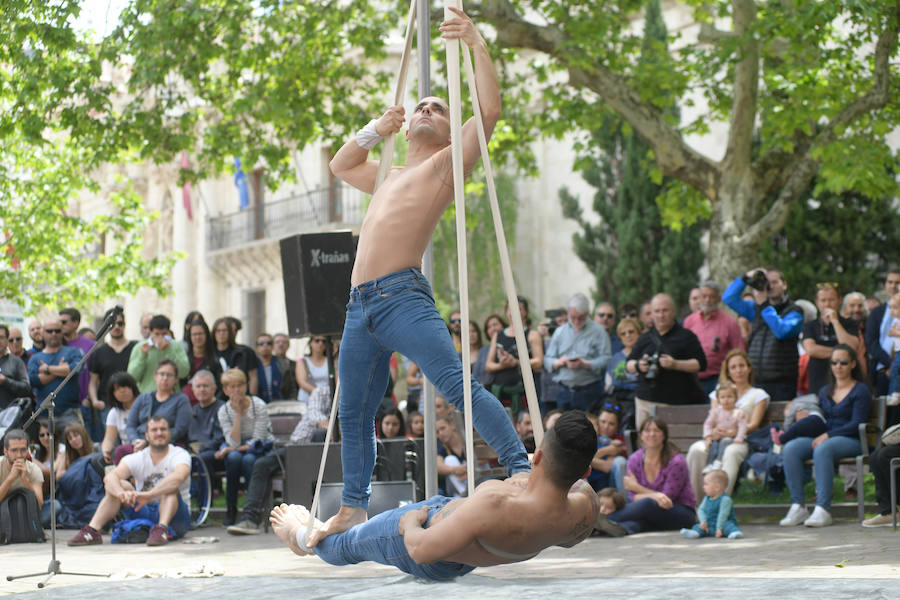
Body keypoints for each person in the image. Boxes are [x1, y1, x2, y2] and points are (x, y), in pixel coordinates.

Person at [312, 7, 529, 547]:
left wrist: (476, 43)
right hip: (360, 305)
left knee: (457, 384)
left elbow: (490, 111)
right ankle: (352, 507)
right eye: (423, 105)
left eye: (440, 107)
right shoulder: (388, 171)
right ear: (408, 125)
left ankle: (519, 465)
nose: (429, 107)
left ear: (448, 128)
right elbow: (340, 165)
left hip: (402, 298)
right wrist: (374, 129)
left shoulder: (445, 165)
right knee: (356, 408)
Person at [270, 411, 601, 580]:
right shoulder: (586, 507)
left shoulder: (496, 503)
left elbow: (421, 552)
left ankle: (300, 537)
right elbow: (563, 530)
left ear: (538, 458)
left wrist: (409, 524)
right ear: (585, 472)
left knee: (348, 542)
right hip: (467, 551)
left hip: (427, 541)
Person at [780, 344, 872, 527]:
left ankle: (823, 509)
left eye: (843, 362)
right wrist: (805, 417)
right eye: (834, 362)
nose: (838, 366)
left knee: (823, 449)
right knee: (791, 448)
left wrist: (828, 435)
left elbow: (856, 424)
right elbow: (822, 420)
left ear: (853, 364)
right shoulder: (825, 391)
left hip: (853, 440)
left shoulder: (860, 391)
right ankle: (798, 506)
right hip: (827, 438)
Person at [67, 415, 192, 546]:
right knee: (120, 484)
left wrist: (149, 495)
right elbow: (110, 477)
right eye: (154, 430)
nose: (159, 433)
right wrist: (120, 493)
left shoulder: (180, 454)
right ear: (147, 435)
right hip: (143, 508)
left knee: (170, 488)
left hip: (176, 516)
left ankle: (162, 528)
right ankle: (92, 531)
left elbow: (178, 477)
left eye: (163, 429)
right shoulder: (138, 457)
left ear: (169, 433)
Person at [227, 386, 333, 536]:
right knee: (261, 464)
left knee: (321, 435)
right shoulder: (322, 391)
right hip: (296, 446)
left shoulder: (354, 391)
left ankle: (319, 516)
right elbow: (314, 412)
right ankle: (250, 519)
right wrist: (330, 426)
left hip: (327, 451)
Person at [686, 349, 770, 497]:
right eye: (733, 367)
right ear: (728, 371)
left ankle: (720, 504)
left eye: (742, 366)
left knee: (731, 452)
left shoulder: (758, 394)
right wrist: (713, 433)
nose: (738, 370)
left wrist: (735, 433)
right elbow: (712, 419)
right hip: (717, 439)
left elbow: (754, 424)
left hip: (740, 440)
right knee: (696, 449)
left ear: (749, 368)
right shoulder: (718, 392)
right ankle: (696, 505)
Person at [723, 268, 804, 402]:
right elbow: (728, 298)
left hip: (782, 382)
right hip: (756, 380)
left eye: (774, 282)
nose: (769, 287)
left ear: (784, 284)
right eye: (766, 283)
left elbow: (782, 331)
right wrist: (746, 277)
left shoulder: (795, 310)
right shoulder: (755, 308)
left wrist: (765, 305)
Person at [627, 293, 707, 427]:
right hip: (644, 401)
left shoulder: (687, 336)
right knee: (646, 444)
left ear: (673, 311)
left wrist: (675, 364)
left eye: (665, 310)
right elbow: (628, 364)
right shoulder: (644, 338)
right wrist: (639, 366)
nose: (661, 315)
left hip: (675, 403)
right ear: (651, 314)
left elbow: (701, 364)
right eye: (657, 311)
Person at [607, 418, 696, 535]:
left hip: (680, 513)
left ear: (664, 435)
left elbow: (666, 500)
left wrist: (637, 487)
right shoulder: (634, 459)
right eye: (647, 431)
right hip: (651, 514)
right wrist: (655, 495)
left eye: (657, 431)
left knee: (647, 504)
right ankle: (615, 528)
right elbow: (633, 497)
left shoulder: (676, 461)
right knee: (639, 522)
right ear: (641, 435)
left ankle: (605, 519)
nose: (652, 434)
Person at [216, 368, 274, 525]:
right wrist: (237, 413)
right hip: (239, 448)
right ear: (225, 390)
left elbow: (257, 440)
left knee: (249, 459)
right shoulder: (223, 411)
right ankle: (231, 508)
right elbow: (233, 442)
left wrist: (231, 449)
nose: (237, 390)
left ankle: (254, 509)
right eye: (232, 386)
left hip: (261, 448)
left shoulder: (258, 405)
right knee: (233, 458)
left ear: (246, 386)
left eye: (240, 385)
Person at [543, 293, 611, 412]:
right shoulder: (560, 332)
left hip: (589, 390)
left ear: (588, 314)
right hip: (564, 390)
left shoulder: (599, 332)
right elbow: (547, 359)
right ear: (568, 313)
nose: (576, 321)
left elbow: (606, 359)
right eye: (573, 317)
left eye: (581, 318)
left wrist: (586, 364)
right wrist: (559, 362)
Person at [683, 281, 745, 395]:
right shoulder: (689, 322)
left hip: (718, 381)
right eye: (704, 296)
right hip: (692, 380)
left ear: (718, 299)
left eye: (711, 297)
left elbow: (739, 353)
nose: (707, 300)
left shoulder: (729, 323)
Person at [485, 297, 543, 409]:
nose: (514, 312)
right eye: (510, 309)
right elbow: (488, 365)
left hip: (524, 392)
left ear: (525, 312)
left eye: (519, 308)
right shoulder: (498, 335)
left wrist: (517, 362)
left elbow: (539, 361)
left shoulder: (532, 334)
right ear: (506, 312)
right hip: (501, 392)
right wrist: (502, 365)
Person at [802, 283, 859, 395]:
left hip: (845, 384)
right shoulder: (810, 325)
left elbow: (852, 347)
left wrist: (835, 321)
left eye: (831, 300)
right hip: (818, 381)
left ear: (839, 300)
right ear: (817, 302)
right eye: (823, 300)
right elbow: (811, 350)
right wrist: (842, 353)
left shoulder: (849, 323)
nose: (827, 304)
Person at [87, 314, 137, 442]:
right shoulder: (99, 352)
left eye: (120, 323)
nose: (116, 327)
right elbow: (93, 381)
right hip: (107, 405)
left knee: (134, 441)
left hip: (133, 404)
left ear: (124, 325)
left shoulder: (135, 348)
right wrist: (95, 401)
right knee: (111, 444)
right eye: (112, 324)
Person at [28, 318, 83, 424]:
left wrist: (47, 369)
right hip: (44, 415)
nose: (54, 334)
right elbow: (35, 381)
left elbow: (74, 370)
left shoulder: (73, 352)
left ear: (62, 332)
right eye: (49, 331)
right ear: (43, 333)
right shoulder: (35, 358)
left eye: (57, 331)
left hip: (70, 414)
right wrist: (61, 369)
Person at [127, 359, 192, 447]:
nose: (165, 378)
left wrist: (149, 442)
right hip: (139, 443)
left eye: (169, 375)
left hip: (167, 444)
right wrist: (135, 441)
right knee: (121, 451)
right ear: (155, 376)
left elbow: (179, 429)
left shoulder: (181, 400)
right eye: (162, 374)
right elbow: (131, 425)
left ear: (176, 379)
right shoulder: (143, 398)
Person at [127, 314, 189, 394]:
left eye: (164, 334)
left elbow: (184, 373)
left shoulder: (176, 346)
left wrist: (170, 350)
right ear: (151, 332)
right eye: (156, 334)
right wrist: (143, 356)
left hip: (171, 397)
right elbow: (132, 378)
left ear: (169, 333)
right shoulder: (140, 347)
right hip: (147, 398)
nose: (160, 338)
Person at [187, 370, 225, 491]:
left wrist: (201, 450)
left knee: (202, 458)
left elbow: (220, 438)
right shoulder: (192, 411)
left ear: (214, 388)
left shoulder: (222, 408)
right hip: (194, 452)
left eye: (205, 386)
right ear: (193, 390)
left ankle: (204, 503)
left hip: (216, 453)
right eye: (198, 386)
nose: (202, 389)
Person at [865, 268, 900, 395]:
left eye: (897, 282)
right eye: (890, 282)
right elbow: (871, 342)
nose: (893, 286)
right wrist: (890, 363)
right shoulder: (876, 312)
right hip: (882, 371)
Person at [680, 469, 743, 539]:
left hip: (723, 524)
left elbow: (723, 515)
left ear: (717, 487)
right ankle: (695, 533)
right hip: (709, 525)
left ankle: (734, 532)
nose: (703, 487)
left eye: (706, 484)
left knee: (728, 526)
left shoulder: (725, 500)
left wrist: (719, 528)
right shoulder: (707, 498)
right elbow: (701, 510)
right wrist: (703, 522)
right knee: (698, 526)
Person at [59, 308, 95, 426]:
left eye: (64, 322)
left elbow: (96, 375)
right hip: (64, 405)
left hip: (85, 403)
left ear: (75, 323)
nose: (60, 325)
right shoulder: (57, 345)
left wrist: (89, 398)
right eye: (59, 322)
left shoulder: (90, 345)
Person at [605, 317, 642, 429]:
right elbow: (608, 385)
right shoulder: (615, 359)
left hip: (640, 401)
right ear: (620, 338)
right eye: (623, 333)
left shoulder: (646, 354)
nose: (628, 335)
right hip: (620, 404)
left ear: (639, 333)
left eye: (631, 332)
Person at [699, 383, 747, 471]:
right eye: (723, 397)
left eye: (729, 397)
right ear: (718, 400)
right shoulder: (715, 412)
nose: (726, 400)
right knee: (713, 445)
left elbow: (742, 427)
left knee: (725, 441)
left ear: (736, 398)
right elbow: (708, 424)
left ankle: (718, 461)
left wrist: (739, 439)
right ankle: (710, 464)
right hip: (717, 437)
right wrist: (708, 436)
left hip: (731, 438)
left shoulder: (738, 413)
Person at [211, 317, 258, 396]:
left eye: (224, 330)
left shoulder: (243, 352)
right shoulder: (210, 354)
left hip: (241, 396)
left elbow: (253, 377)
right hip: (216, 399)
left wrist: (252, 398)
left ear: (230, 332)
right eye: (218, 331)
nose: (221, 333)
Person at [100, 371, 139, 465]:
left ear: (132, 387)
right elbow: (109, 438)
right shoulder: (114, 412)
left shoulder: (144, 405)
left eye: (125, 386)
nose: (122, 391)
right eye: (117, 389)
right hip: (126, 452)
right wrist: (105, 451)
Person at [587, 407, 627, 494]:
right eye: (603, 422)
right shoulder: (585, 438)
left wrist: (584, 458)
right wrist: (607, 450)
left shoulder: (617, 442)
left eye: (611, 424)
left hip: (607, 482)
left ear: (617, 427)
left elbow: (607, 467)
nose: (606, 427)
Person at [182, 319, 222, 405]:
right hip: (186, 406)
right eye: (194, 334)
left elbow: (220, 387)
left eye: (200, 334)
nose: (197, 337)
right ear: (190, 336)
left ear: (206, 335)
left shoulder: (215, 360)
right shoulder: (184, 359)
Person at [0, 324, 30, 409]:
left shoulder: (16, 362)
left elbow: (26, 389)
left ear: (7, 340)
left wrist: (5, 381)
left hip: (10, 417)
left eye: (1, 338)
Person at [436, 415, 468, 497]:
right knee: (450, 460)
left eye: (443, 428)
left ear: (452, 425)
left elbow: (484, 457)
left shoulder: (467, 440)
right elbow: (438, 466)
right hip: (457, 488)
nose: (441, 434)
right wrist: (455, 469)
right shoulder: (443, 450)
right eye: (437, 432)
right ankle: (465, 494)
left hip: (474, 479)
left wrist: (466, 468)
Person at [296, 335, 330, 406]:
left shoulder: (331, 361)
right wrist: (319, 393)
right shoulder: (301, 360)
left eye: (324, 341)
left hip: (326, 401)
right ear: (310, 343)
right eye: (317, 341)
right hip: (307, 399)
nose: (320, 344)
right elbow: (302, 382)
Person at [255, 332, 283, 403]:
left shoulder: (282, 363)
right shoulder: (252, 365)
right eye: (261, 344)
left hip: (281, 404)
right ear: (256, 348)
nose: (265, 346)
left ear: (273, 346)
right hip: (259, 404)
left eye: (269, 343)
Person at [272, 333, 299, 401]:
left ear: (288, 345)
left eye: (284, 342)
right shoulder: (268, 363)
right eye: (277, 342)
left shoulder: (295, 364)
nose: (281, 344)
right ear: (272, 345)